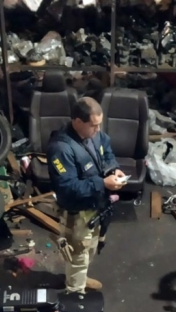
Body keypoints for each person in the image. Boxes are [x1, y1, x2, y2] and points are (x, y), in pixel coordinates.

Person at [46, 96, 127, 293]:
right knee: (78, 254)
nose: (98, 129)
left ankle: (80, 277)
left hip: (96, 205)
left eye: (99, 124)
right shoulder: (61, 148)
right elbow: (67, 187)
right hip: (77, 213)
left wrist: (114, 169)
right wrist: (102, 183)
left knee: (90, 248)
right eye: (93, 125)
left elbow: (107, 152)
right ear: (77, 122)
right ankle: (75, 293)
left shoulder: (94, 134)